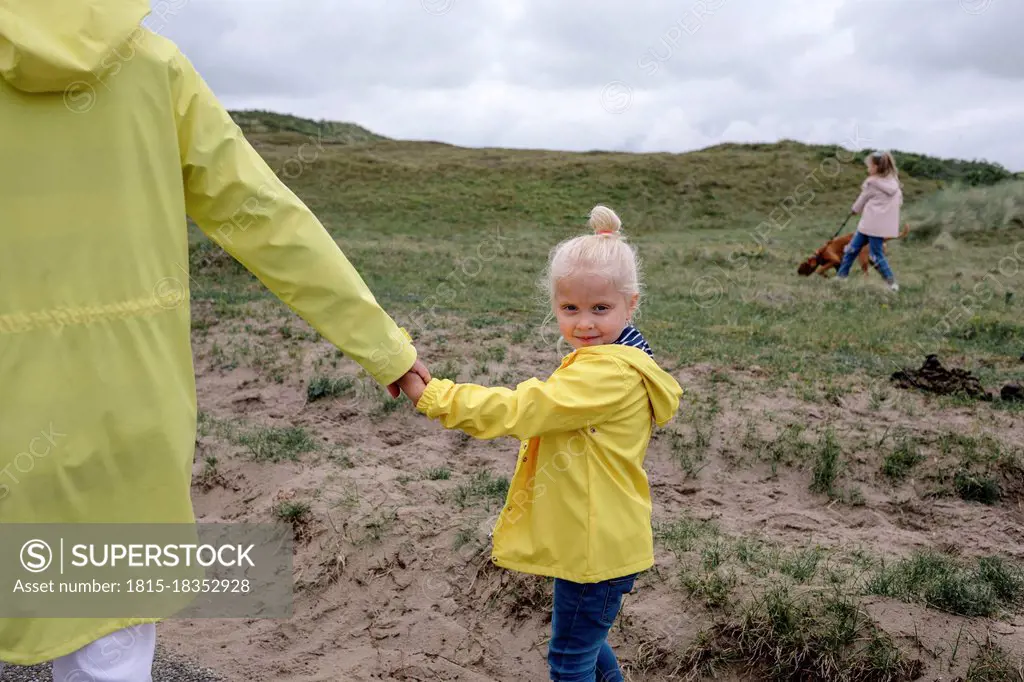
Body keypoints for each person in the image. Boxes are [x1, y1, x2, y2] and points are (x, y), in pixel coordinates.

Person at [0, 1, 428, 679]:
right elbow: (266, 217)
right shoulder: (155, 67)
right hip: (126, 426)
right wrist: (384, 347)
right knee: (108, 658)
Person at [399, 205, 683, 682]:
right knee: (586, 650)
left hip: (595, 549)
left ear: (630, 305)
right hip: (599, 542)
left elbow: (521, 408)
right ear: (554, 306)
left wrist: (433, 395)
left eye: (600, 309)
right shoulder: (624, 357)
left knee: (569, 662)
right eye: (570, 309)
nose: (584, 324)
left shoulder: (605, 373)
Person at [834, 150, 904, 291]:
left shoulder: (872, 183)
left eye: (869, 166)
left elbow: (862, 199)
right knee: (852, 249)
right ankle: (841, 278)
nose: (868, 169)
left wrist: (854, 210)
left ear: (877, 167)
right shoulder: (894, 183)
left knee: (874, 254)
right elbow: (899, 202)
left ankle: (892, 283)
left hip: (871, 225)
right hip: (874, 226)